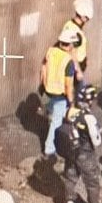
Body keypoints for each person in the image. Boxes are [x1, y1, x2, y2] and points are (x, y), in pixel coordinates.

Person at [55, 84, 102, 203]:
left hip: (71, 152)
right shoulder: (89, 118)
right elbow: (96, 141)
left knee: (70, 179)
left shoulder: (69, 111)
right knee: (92, 182)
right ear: (90, 101)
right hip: (86, 154)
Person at [39, 26, 78, 156]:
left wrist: (43, 83)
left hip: (48, 88)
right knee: (57, 121)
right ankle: (49, 148)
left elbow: (43, 67)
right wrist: (71, 101)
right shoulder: (68, 62)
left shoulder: (51, 52)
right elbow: (68, 86)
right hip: (60, 93)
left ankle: (47, 110)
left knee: (53, 105)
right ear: (71, 44)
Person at [62, 0, 93, 81]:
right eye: (87, 18)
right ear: (83, 17)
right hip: (74, 66)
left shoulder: (69, 24)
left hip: (78, 63)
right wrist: (78, 70)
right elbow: (72, 52)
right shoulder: (74, 31)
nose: (88, 20)